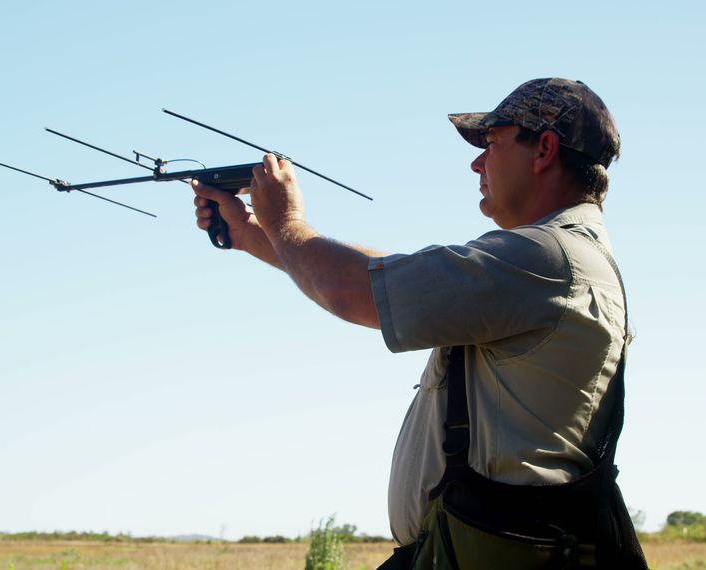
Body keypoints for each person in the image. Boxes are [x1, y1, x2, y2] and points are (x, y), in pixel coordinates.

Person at [192, 78, 646, 569]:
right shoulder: (554, 258)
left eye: (490, 144)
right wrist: (254, 235)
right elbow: (391, 276)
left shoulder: (547, 256)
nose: (477, 163)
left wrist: (287, 223)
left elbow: (355, 289)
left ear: (544, 149)